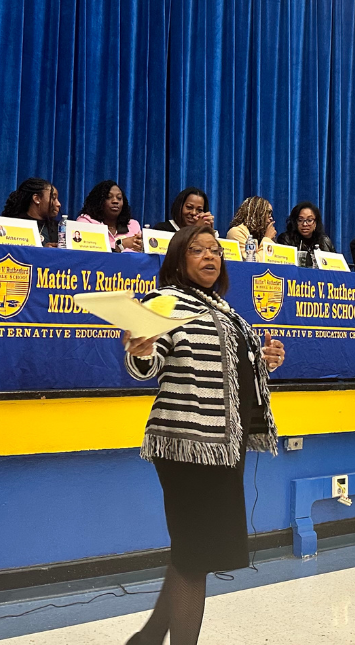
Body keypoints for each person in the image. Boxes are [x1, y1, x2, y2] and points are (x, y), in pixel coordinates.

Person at [123, 223, 285, 645]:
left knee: (190, 552)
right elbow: (148, 364)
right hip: (187, 446)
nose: (210, 257)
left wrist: (263, 362)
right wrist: (140, 350)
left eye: (215, 250)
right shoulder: (164, 302)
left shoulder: (223, 309)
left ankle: (149, 636)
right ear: (178, 259)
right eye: (198, 250)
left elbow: (230, 373)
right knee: (194, 556)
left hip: (223, 447)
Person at [76, 178, 143, 251]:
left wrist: (141, 246)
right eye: (108, 197)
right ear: (97, 201)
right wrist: (121, 245)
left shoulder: (133, 225)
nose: (115, 201)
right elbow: (91, 252)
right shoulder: (85, 223)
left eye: (119, 198)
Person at [2, 177, 64, 245]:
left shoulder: (59, 229)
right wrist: (45, 252)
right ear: (37, 199)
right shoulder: (12, 226)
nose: (58, 204)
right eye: (53, 198)